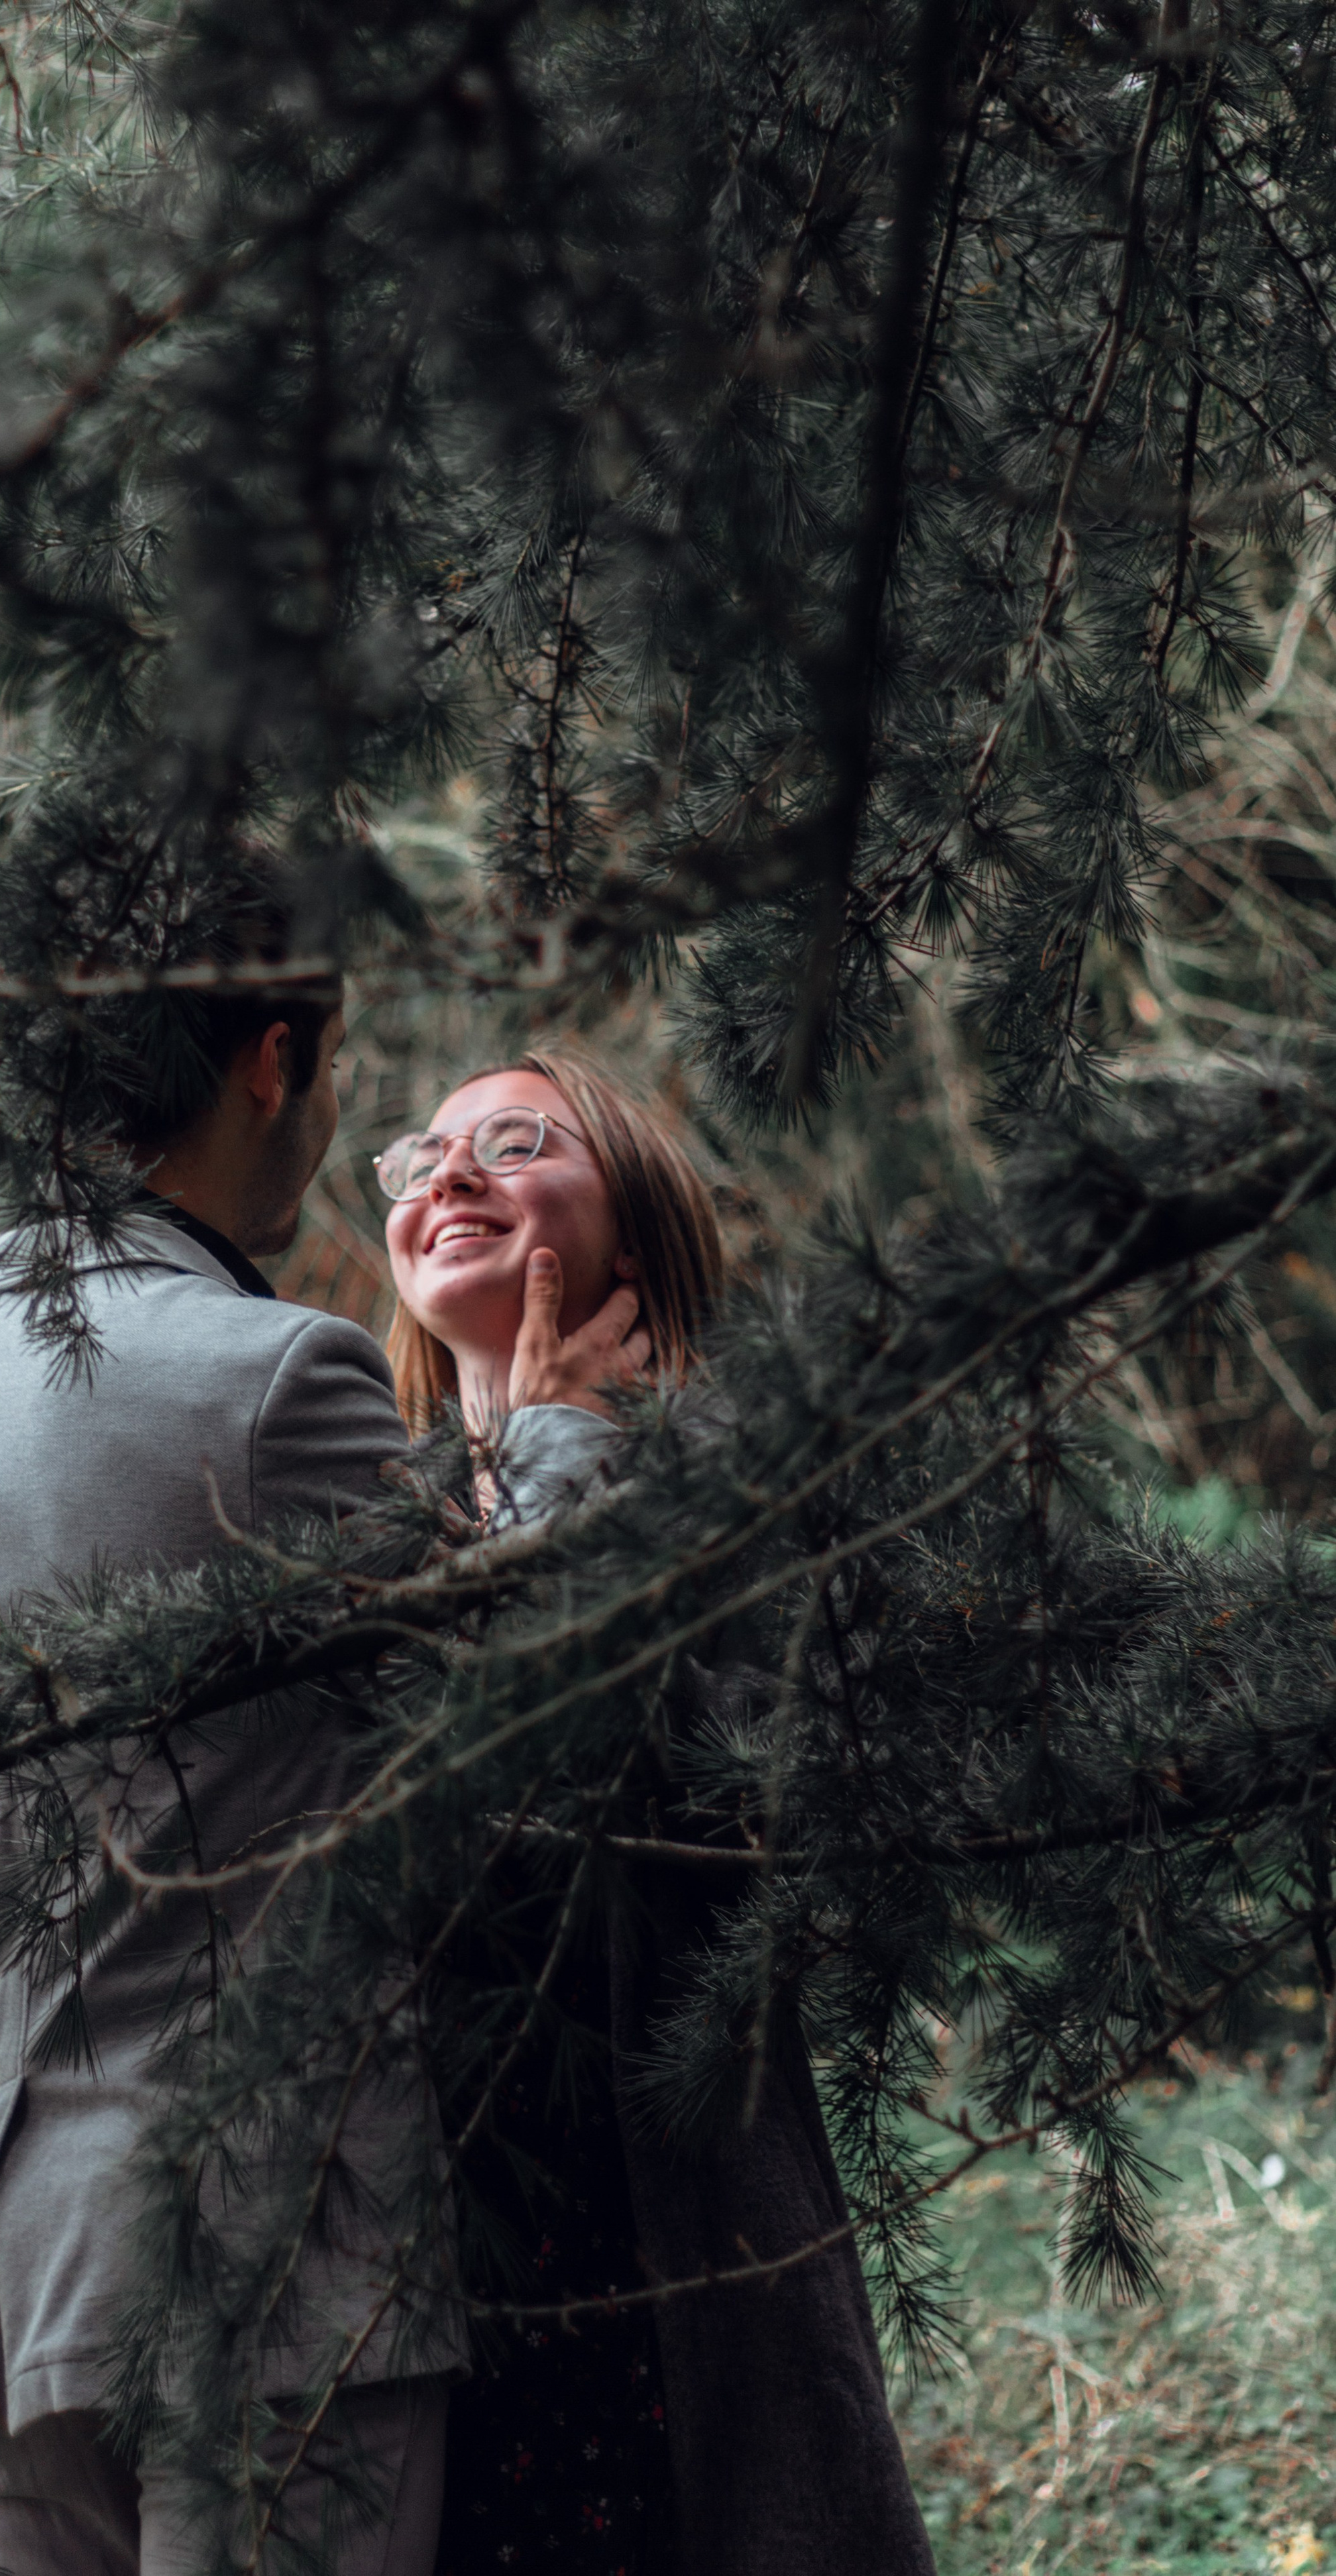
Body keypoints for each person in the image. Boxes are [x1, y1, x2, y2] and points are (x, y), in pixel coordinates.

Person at [0, 983, 645, 2576]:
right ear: (272, 1063)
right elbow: (516, 1725)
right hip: (257, 2268)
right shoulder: (275, 1377)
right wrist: (552, 1442)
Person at [378, 1049, 936, 2576]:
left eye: (513, 1140)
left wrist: (558, 1462)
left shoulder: (739, 1487)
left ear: (635, 1222)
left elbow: (679, 1810)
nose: (449, 1174)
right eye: (419, 1158)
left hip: (672, 2253)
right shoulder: (363, 1519)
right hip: (436, 2267)